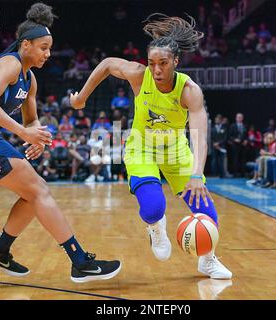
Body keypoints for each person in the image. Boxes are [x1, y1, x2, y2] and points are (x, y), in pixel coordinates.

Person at [0, 3, 121, 283]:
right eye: (43, 47)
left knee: (33, 194)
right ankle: (79, 261)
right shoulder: (11, 63)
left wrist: (37, 135)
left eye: (49, 48)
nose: (48, 54)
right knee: (39, 189)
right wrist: (25, 134)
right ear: (25, 44)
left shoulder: (31, 79)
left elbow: (31, 120)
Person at [71, 13, 232, 279]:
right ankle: (156, 228)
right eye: (152, 63)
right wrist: (82, 98)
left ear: (176, 62)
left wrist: (195, 175)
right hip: (141, 147)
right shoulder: (139, 75)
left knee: (207, 212)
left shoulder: (189, 90)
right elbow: (109, 63)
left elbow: (200, 135)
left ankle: (208, 260)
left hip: (176, 149)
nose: (157, 70)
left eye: (163, 63)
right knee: (153, 209)